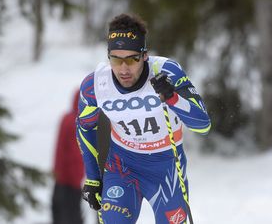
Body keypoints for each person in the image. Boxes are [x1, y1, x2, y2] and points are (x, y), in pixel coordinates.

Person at [76, 13, 211, 224]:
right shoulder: (95, 86)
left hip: (166, 168)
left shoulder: (166, 72)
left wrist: (173, 98)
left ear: (144, 55)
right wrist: (93, 178)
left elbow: (203, 124)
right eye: (116, 59)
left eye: (131, 59)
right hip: (123, 166)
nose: (123, 69)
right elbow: (85, 128)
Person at [52, 90, 84, 224]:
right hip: (71, 177)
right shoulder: (80, 121)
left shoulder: (68, 118)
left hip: (65, 176)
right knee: (70, 211)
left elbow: (59, 147)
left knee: (62, 210)